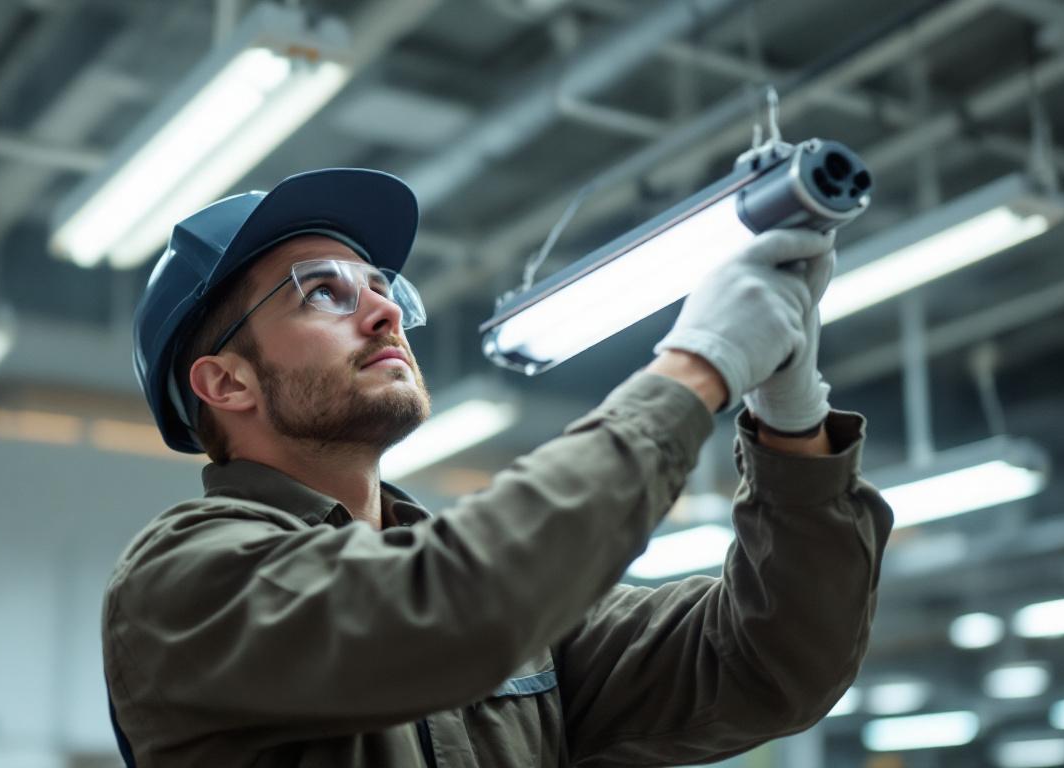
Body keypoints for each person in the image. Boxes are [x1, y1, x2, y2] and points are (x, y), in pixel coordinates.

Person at [104, 167, 893, 767]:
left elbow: (773, 663)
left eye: (383, 288)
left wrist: (789, 416)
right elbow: (451, 607)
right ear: (227, 381)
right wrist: (696, 370)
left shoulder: (517, 612)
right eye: (321, 294)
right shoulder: (184, 582)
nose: (383, 311)